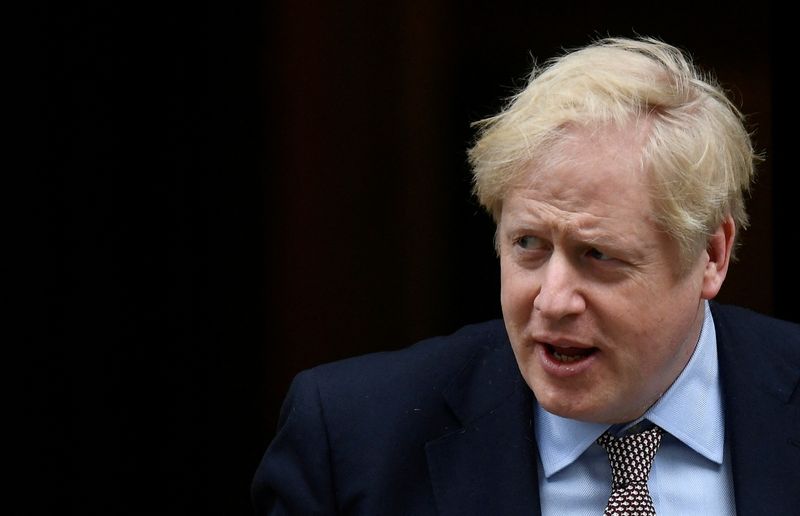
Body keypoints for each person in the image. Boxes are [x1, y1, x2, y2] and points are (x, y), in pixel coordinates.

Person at [252, 37, 799, 515]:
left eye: (598, 255)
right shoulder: (351, 441)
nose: (553, 301)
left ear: (712, 255)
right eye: (528, 246)